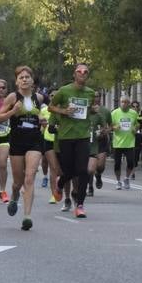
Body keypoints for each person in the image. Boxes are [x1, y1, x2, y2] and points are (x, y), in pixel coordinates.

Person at [0, 66, 44, 230]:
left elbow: (43, 115)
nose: (24, 79)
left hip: (35, 141)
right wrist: (13, 111)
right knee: (17, 182)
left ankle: (27, 216)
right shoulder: (12, 97)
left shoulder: (39, 98)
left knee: (29, 177)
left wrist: (42, 119)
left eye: (27, 77)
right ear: (17, 81)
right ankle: (15, 197)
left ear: (32, 80)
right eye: (21, 77)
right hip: (17, 141)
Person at [48, 63, 96, 218]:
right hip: (66, 136)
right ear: (74, 74)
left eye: (85, 72)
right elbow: (50, 107)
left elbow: (87, 112)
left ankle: (80, 205)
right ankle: (60, 184)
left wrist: (92, 111)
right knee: (68, 171)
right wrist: (63, 111)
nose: (82, 73)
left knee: (83, 171)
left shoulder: (90, 93)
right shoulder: (64, 91)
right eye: (79, 71)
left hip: (83, 136)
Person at [110, 95, 140, 190]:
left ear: (129, 103)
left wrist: (135, 128)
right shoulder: (114, 113)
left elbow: (138, 123)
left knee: (131, 162)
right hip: (117, 143)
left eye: (126, 102)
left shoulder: (134, 113)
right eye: (122, 102)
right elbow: (109, 125)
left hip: (129, 142)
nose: (124, 104)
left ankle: (126, 178)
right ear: (120, 102)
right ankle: (118, 181)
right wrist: (114, 128)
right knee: (117, 164)